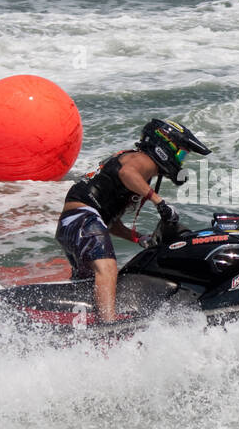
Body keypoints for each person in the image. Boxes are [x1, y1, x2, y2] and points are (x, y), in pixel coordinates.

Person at [56, 118, 211, 322]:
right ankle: (108, 326)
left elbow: (111, 223)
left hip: (74, 223)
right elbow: (126, 172)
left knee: (87, 284)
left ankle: (80, 322)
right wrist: (159, 202)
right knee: (108, 268)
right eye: (181, 152)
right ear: (164, 146)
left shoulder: (140, 172)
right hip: (81, 218)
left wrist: (139, 238)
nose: (180, 160)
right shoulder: (143, 160)